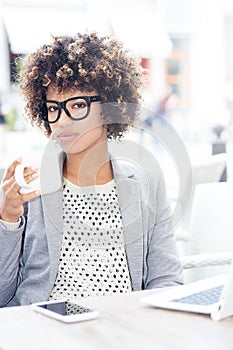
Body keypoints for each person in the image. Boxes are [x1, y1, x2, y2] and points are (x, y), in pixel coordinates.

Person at [0, 32, 183, 307]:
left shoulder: (146, 183)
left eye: (77, 105)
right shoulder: (28, 188)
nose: (61, 120)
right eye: (53, 108)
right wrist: (8, 218)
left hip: (122, 328)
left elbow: (167, 279)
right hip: (43, 329)